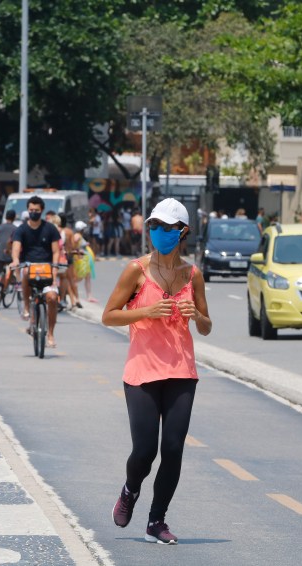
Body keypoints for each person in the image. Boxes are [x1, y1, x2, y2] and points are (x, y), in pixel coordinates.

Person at [102, 198, 212, 545]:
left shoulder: (193, 275)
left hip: (181, 371)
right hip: (142, 372)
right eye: (154, 226)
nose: (159, 233)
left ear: (182, 232)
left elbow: (207, 327)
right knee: (145, 450)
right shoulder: (136, 270)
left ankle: (156, 521)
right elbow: (109, 315)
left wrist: (197, 315)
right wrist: (146, 311)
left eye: (166, 228)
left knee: (174, 449)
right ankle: (130, 489)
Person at [11, 196, 61, 348]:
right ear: (27, 210)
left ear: (42, 211)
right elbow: (16, 248)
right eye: (31, 210)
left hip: (47, 270)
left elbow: (56, 252)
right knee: (25, 272)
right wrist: (15, 260)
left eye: (36, 210)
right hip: (29, 268)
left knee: (52, 298)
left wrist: (55, 269)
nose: (33, 213)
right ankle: (27, 306)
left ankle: (50, 334)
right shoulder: (21, 229)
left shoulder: (50, 229)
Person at [0, 210, 17, 301]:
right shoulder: (16, 228)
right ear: (14, 218)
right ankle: (5, 287)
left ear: (5, 218)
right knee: (11, 271)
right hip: (10, 254)